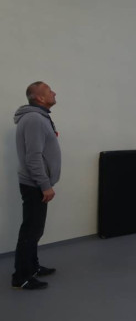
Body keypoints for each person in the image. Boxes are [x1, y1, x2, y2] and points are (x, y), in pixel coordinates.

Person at [12, 82, 60, 290]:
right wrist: (45, 185)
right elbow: (33, 158)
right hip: (35, 185)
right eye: (49, 90)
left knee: (34, 231)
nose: (54, 92)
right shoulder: (34, 119)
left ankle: (32, 267)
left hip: (36, 184)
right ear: (39, 98)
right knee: (30, 232)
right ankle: (21, 277)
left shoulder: (40, 117)